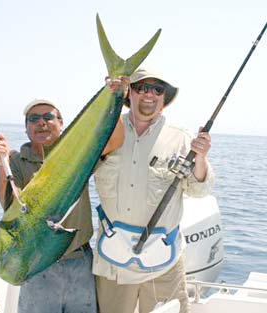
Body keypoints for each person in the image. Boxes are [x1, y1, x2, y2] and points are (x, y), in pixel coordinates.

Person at [93, 67, 215, 313]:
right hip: (113, 262)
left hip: (162, 262)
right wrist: (107, 97)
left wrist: (200, 157)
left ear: (164, 99)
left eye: (157, 89)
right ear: (130, 94)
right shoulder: (106, 131)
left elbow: (199, 191)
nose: (149, 94)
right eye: (142, 87)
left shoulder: (180, 137)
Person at [0, 99, 122, 313]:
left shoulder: (77, 155)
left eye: (48, 117)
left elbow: (114, 141)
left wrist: (117, 97)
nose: (41, 123)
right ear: (26, 128)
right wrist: (0, 163)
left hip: (80, 260)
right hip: (37, 265)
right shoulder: (15, 160)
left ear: (61, 124)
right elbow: (9, 205)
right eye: (34, 119)